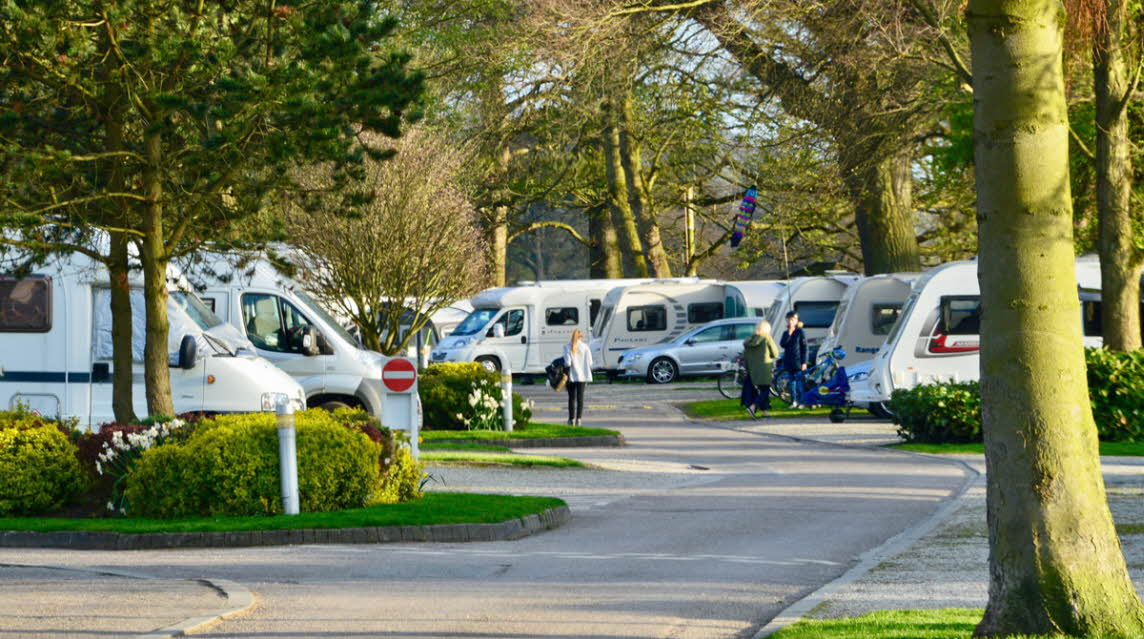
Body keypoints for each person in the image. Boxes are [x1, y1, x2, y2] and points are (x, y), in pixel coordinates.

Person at [741, 320, 779, 419]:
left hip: (752, 370)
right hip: (764, 369)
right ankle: (752, 407)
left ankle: (764, 413)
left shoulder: (748, 340)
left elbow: (746, 356)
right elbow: (775, 353)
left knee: (760, 391)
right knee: (765, 391)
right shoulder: (767, 338)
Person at [563, 329, 593, 426]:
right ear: (581, 337)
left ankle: (571, 419)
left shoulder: (567, 347)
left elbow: (567, 363)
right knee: (580, 398)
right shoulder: (585, 347)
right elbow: (590, 362)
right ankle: (579, 419)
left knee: (571, 398)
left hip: (571, 376)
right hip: (583, 376)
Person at [779, 311, 808, 408]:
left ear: (796, 321)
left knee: (799, 382)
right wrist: (789, 333)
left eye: (792, 320)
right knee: (791, 383)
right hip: (789, 361)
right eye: (788, 320)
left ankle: (802, 401)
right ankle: (793, 401)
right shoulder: (785, 333)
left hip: (798, 361)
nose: (790, 322)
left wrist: (804, 362)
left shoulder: (800, 332)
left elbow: (804, 348)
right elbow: (783, 344)